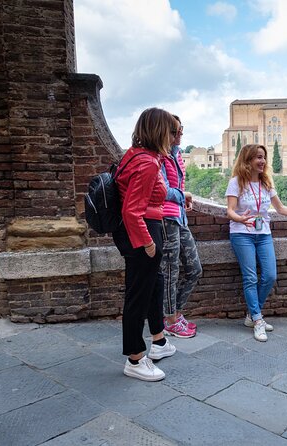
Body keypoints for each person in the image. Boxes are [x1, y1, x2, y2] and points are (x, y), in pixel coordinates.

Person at [226, 144, 287, 342]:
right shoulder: (236, 182)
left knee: (270, 275)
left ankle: (253, 314)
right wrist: (239, 218)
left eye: (264, 157)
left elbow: (280, 208)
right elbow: (230, 211)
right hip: (242, 234)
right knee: (250, 278)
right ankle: (258, 320)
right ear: (247, 160)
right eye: (258, 157)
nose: (263, 161)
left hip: (263, 234)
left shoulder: (266, 183)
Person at [113, 107, 178, 381]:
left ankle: (159, 341)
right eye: (170, 131)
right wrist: (148, 242)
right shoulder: (148, 163)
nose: (173, 136)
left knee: (152, 287)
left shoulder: (135, 155)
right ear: (159, 131)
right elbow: (132, 210)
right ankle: (135, 359)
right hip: (142, 231)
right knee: (138, 295)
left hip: (138, 229)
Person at [160, 115, 202, 339]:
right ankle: (170, 321)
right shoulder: (159, 157)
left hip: (179, 217)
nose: (181, 134)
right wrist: (182, 195)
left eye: (181, 130)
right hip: (166, 220)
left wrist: (183, 201)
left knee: (195, 269)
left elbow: (174, 188)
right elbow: (162, 190)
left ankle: (172, 313)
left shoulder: (176, 156)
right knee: (170, 272)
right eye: (177, 131)